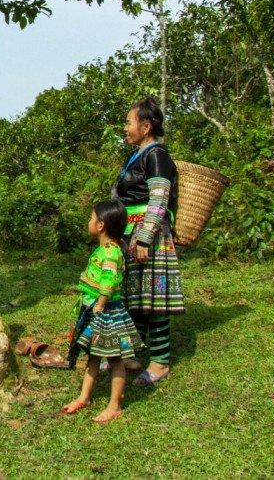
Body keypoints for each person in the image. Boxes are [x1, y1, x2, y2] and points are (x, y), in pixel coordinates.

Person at [112, 96, 185, 385]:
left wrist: (144, 238)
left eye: (129, 123)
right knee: (136, 296)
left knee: (155, 301)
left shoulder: (157, 155)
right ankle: (133, 353)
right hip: (132, 233)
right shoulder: (139, 154)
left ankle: (160, 362)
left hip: (149, 236)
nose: (125, 128)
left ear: (146, 126)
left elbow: (158, 198)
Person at [61, 199, 142, 423]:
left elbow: (108, 279)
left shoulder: (110, 252)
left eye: (91, 218)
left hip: (106, 312)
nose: (89, 222)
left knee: (115, 358)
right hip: (97, 308)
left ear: (101, 225)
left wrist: (101, 302)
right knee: (94, 356)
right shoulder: (105, 249)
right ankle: (84, 397)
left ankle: (114, 406)